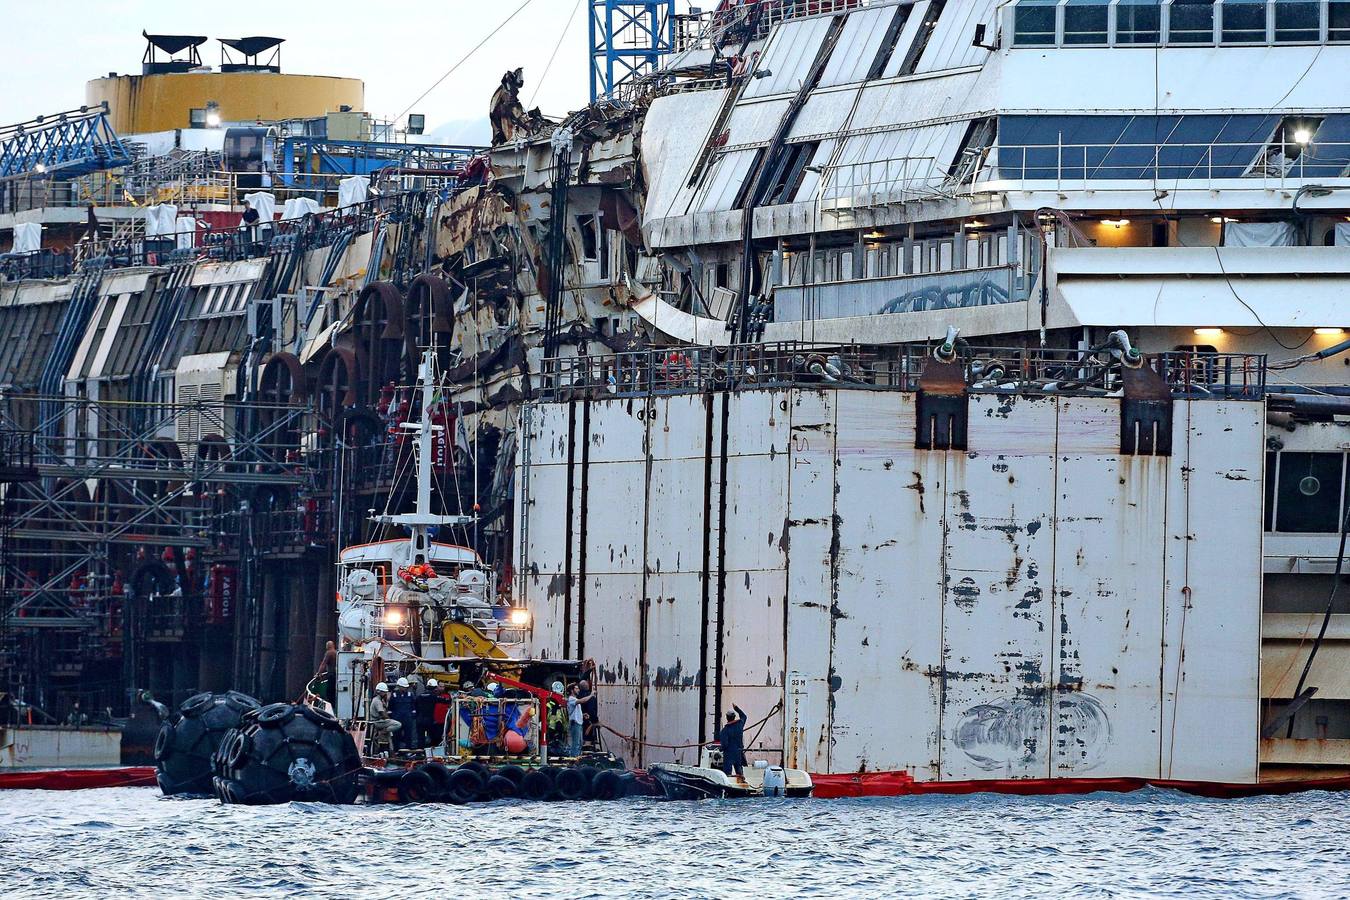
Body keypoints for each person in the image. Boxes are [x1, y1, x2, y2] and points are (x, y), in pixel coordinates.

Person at [716, 705, 748, 781]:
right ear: (734, 717)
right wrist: (736, 708)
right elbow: (744, 716)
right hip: (739, 753)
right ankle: (741, 783)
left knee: (727, 775)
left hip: (729, 755)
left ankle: (727, 787)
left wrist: (720, 749)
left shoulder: (724, 731)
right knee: (739, 772)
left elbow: (724, 745)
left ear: (727, 717)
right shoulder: (740, 724)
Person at [367, 683, 400, 750]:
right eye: (384, 692)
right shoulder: (377, 701)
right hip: (377, 722)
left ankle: (390, 750)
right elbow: (382, 713)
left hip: (378, 721)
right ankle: (383, 732)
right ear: (379, 692)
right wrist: (389, 720)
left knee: (389, 739)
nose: (385, 694)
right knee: (397, 724)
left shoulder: (379, 700)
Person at [390, 677, 416, 750]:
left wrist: (412, 715)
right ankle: (397, 750)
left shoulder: (410, 695)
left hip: (407, 719)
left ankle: (408, 750)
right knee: (396, 735)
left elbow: (413, 707)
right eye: (403, 687)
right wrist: (392, 717)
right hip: (397, 719)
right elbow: (390, 708)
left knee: (408, 735)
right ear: (399, 687)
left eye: (406, 687)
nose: (405, 689)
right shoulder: (394, 696)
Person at [566, 683, 592, 757]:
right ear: (572, 690)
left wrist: (583, 715)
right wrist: (591, 695)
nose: (578, 690)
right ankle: (574, 760)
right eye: (576, 688)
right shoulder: (571, 699)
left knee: (579, 743)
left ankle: (576, 758)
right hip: (575, 724)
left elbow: (575, 712)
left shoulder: (574, 699)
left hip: (578, 723)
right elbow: (582, 701)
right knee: (576, 744)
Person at [416, 679, 441, 749]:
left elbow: (415, 706)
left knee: (420, 738)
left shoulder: (419, 696)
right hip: (429, 720)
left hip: (420, 720)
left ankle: (420, 752)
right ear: (435, 687)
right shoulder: (433, 697)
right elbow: (444, 700)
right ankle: (432, 751)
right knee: (433, 736)